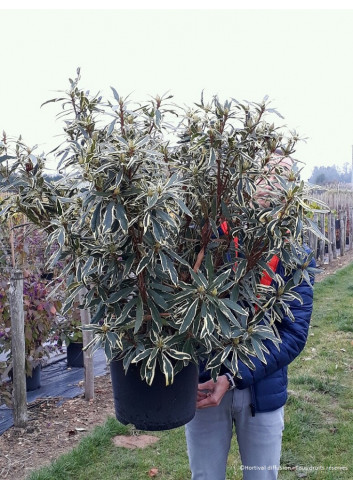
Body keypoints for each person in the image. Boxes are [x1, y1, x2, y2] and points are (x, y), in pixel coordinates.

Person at [185, 153, 316, 480]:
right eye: (263, 174)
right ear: (246, 180)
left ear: (291, 190)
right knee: (205, 479)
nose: (270, 184)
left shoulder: (295, 255)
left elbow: (293, 335)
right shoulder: (213, 239)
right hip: (204, 383)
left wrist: (232, 376)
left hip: (262, 390)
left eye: (281, 177)